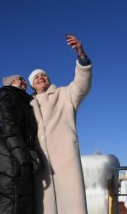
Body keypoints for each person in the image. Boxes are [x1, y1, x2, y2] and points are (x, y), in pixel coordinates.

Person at [28, 34, 92, 214]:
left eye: (44, 75)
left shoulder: (64, 94)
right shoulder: (27, 105)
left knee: (72, 207)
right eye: (37, 77)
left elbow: (82, 85)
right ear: (32, 84)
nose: (41, 77)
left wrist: (81, 55)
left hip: (66, 163)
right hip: (40, 167)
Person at [0, 74, 38, 214]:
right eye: (18, 79)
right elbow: (10, 129)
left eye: (23, 79)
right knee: (12, 203)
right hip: (12, 161)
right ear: (10, 84)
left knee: (11, 203)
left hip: (10, 159)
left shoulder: (19, 99)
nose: (22, 81)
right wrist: (24, 161)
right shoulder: (10, 96)